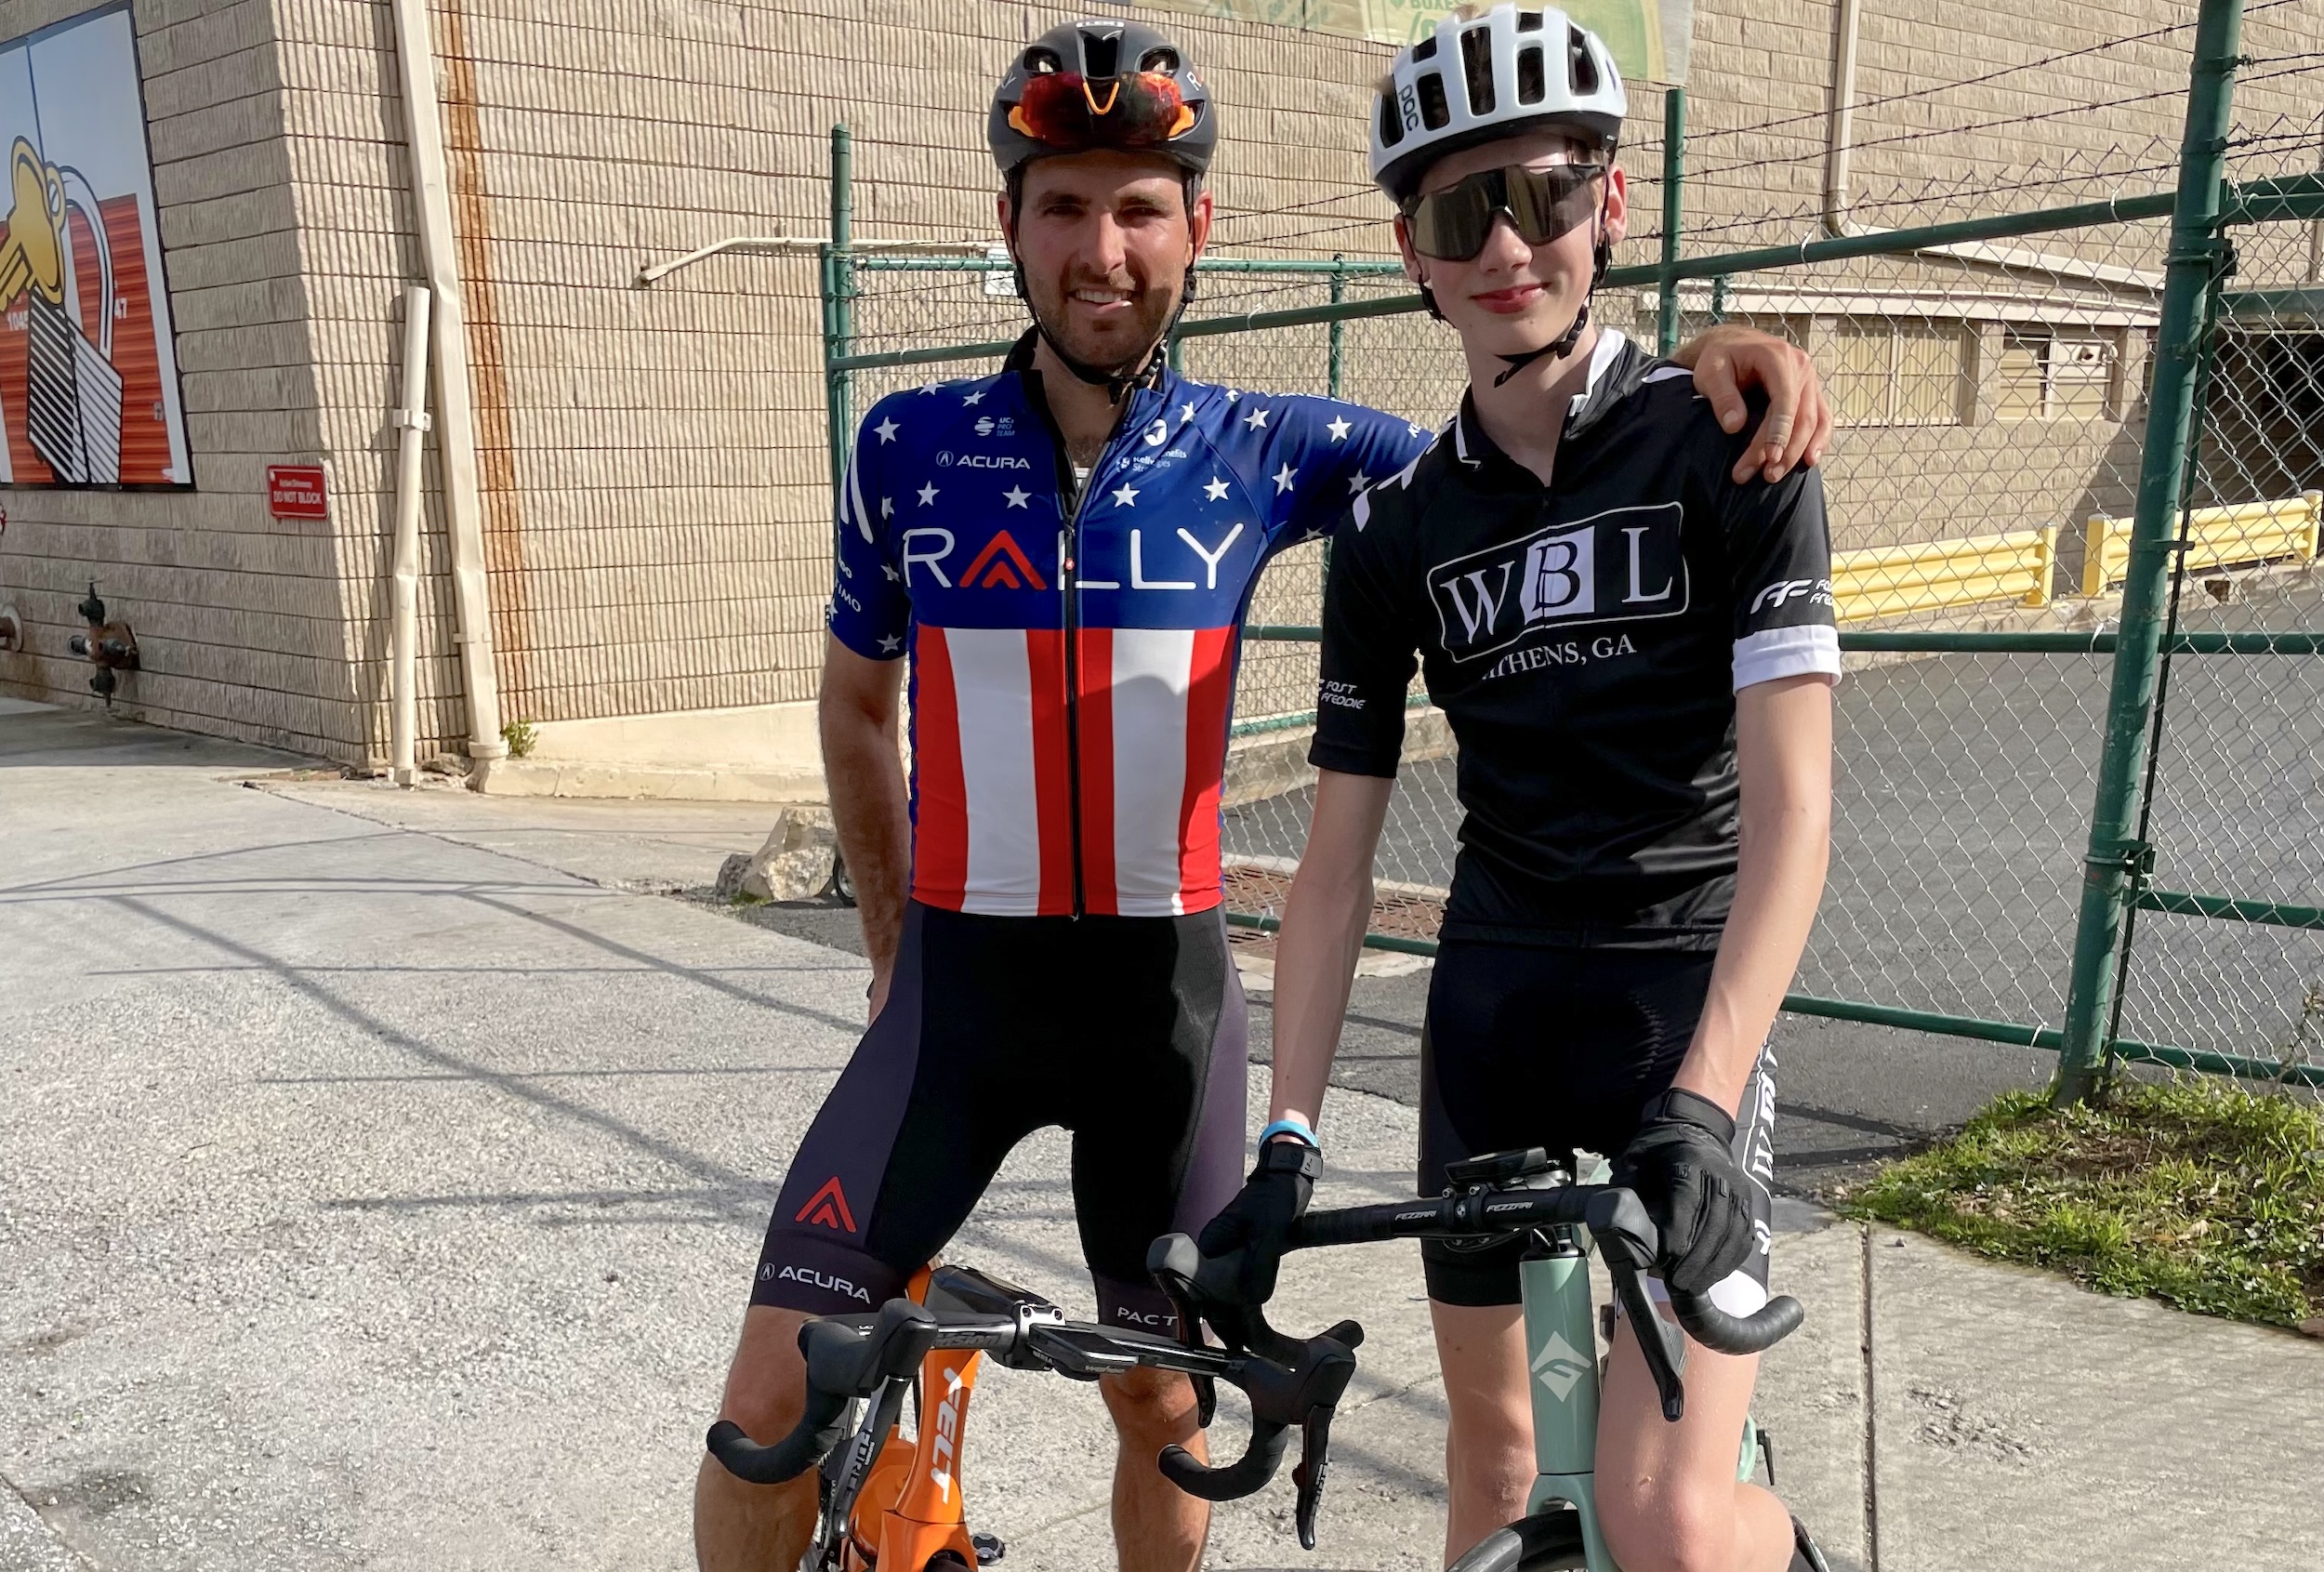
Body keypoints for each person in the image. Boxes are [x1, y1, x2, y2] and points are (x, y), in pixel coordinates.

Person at [694, 17, 1832, 1572]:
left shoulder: (1279, 450)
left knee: (1166, 1410)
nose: (1103, 249)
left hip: (1160, 1017)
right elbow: (853, 704)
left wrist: (1705, 363)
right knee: (763, 1412)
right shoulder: (906, 445)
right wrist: (892, 950)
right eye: (1063, 205)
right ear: (1010, 224)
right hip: (955, 999)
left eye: (1140, 207)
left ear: (1197, 228)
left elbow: (1526, 430)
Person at [1201, 7, 1839, 1571]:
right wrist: (1287, 1137)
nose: (1503, 244)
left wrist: (1707, 1095)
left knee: (1664, 1519)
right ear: (1410, 254)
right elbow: (1333, 870)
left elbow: (1797, 815)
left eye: (1543, 193)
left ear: (1609, 203)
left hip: (1680, 1007)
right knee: (1494, 1474)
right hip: (1493, 1013)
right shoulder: (1395, 531)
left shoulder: (1730, 442)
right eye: (1454, 213)